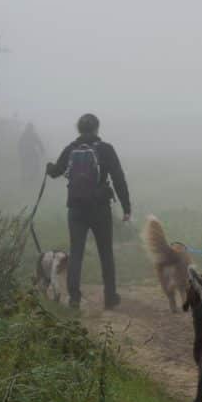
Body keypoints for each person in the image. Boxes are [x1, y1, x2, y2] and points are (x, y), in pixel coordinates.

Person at [47, 113, 131, 310]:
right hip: (100, 208)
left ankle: (74, 298)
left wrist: (49, 167)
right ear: (96, 128)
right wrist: (126, 207)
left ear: (79, 129)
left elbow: (55, 172)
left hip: (76, 208)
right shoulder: (106, 149)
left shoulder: (71, 149)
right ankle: (110, 297)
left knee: (76, 253)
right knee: (106, 252)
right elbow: (119, 178)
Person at [18, 122, 45, 186]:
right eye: (31, 127)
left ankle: (32, 176)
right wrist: (42, 149)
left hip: (29, 151)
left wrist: (42, 149)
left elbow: (38, 142)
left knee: (33, 162)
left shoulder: (27, 134)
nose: (31, 129)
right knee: (26, 164)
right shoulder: (28, 134)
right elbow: (20, 143)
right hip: (28, 151)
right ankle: (26, 176)